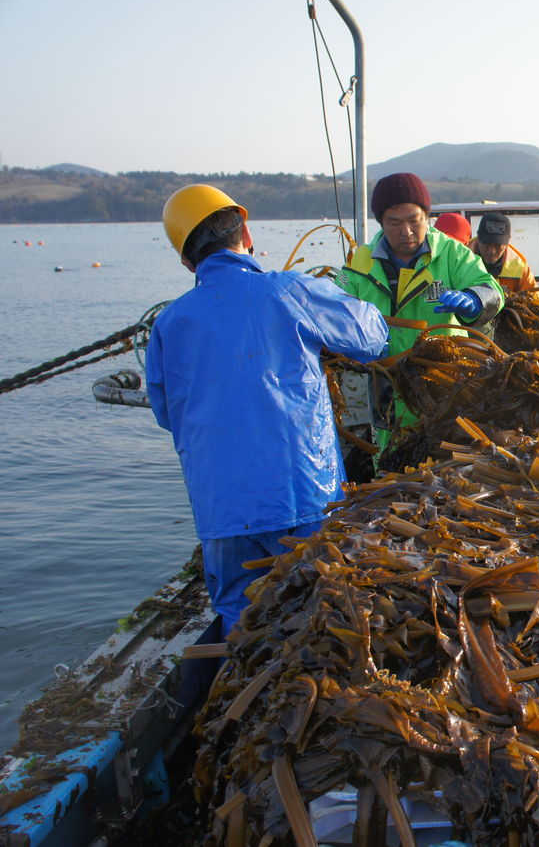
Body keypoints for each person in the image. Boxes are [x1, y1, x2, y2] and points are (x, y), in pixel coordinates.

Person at [146, 184, 389, 638]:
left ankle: (243, 693)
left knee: (243, 621)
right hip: (303, 494)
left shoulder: (169, 323)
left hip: (221, 509)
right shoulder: (290, 290)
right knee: (319, 612)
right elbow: (372, 337)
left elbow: (166, 411)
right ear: (247, 234)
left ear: (185, 259)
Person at [338, 173, 503, 440]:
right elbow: (335, 311)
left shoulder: (452, 254)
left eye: (414, 221)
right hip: (386, 387)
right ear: (380, 222)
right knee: (389, 465)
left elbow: (490, 289)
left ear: (427, 217)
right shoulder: (360, 265)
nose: (406, 232)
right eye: (394, 223)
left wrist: (474, 300)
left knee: (447, 469)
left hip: (445, 386)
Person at [471, 211, 539, 301]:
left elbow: (537, 301)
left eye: (498, 246)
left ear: (507, 243)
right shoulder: (460, 259)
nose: (492, 251)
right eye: (487, 244)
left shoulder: (519, 266)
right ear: (478, 238)